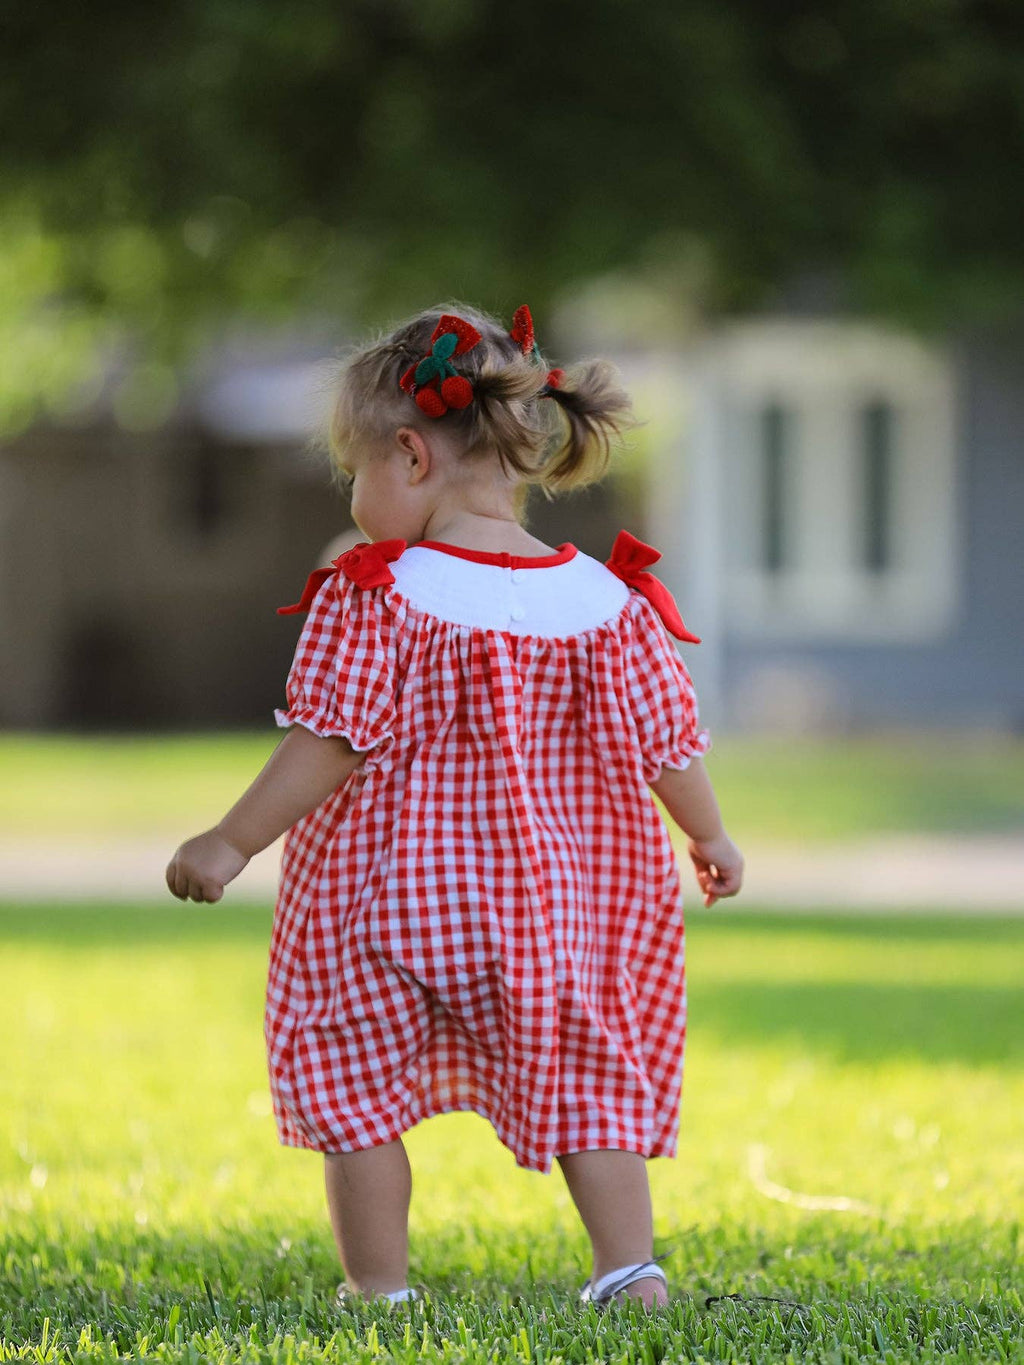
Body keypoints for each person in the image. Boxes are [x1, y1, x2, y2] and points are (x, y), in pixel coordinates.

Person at [165, 302, 744, 1314]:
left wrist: (230, 841)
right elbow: (668, 745)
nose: (356, 497)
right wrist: (710, 833)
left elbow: (329, 742)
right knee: (588, 1075)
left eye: (355, 472)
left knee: (356, 1078)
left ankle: (379, 1287)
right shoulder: (607, 603)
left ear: (409, 456)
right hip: (554, 919)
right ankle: (628, 1270)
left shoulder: (381, 595)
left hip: (394, 909)